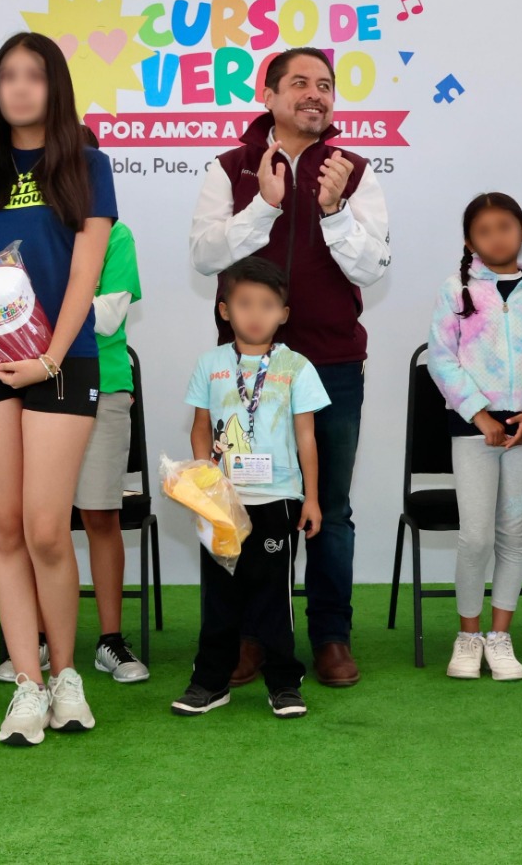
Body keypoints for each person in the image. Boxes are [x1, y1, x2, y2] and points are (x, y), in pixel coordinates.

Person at [187, 46, 390, 688]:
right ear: (268, 94)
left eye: (325, 85)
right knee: (246, 502)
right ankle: (253, 637)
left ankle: (330, 636)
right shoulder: (231, 168)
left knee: (330, 507)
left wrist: (334, 211)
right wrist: (265, 206)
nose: (315, 94)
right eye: (299, 82)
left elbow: (373, 267)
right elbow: (204, 255)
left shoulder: (354, 172)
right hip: (245, 371)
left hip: (330, 364)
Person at [0, 32, 115, 747]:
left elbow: (85, 275)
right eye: (7, 75)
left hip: (63, 360)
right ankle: (27, 683)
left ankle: (66, 674)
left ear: (54, 87)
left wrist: (49, 357)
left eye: (33, 75)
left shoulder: (88, 166)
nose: (18, 87)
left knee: (46, 528)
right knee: (6, 527)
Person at [427, 193, 522, 681]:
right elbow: (441, 359)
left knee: (513, 533)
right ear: (470, 242)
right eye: (484, 231)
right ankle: (468, 636)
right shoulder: (457, 291)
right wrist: (480, 414)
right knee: (475, 537)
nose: (496, 238)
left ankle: (499, 637)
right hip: (475, 430)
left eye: (505, 227)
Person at [171, 257, 326, 720]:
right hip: (223, 504)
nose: (255, 314)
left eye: (267, 304)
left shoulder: (297, 367)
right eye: (244, 303)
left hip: (278, 501)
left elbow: (307, 437)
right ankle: (210, 682)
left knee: (274, 597)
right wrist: (204, 484)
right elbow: (201, 428)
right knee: (219, 596)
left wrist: (312, 498)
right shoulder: (210, 364)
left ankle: (283, 683)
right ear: (225, 310)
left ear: (284, 313)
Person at [74, 219, 148, 683]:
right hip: (34, 386)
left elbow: (106, 318)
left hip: (103, 385)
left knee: (101, 514)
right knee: (37, 520)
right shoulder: (33, 225)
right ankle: (38, 637)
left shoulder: (116, 235)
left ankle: (110, 640)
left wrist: (40, 303)